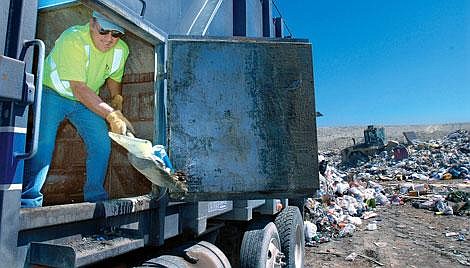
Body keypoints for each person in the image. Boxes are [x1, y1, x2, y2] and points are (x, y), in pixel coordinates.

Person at [21, 11, 134, 208]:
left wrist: (117, 100)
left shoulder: (121, 50)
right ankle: (28, 203)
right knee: (44, 144)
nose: (109, 39)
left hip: (84, 101)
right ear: (92, 24)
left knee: (101, 144)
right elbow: (79, 89)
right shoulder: (73, 38)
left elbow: (114, 79)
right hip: (53, 93)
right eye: (103, 31)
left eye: (115, 34)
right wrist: (111, 115)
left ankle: (96, 201)